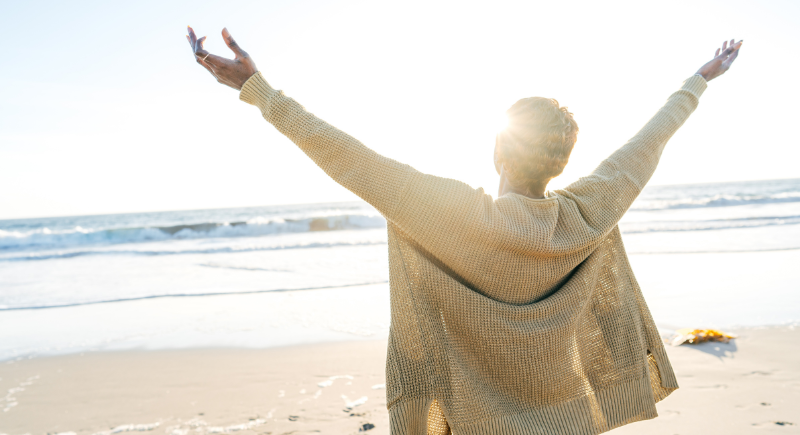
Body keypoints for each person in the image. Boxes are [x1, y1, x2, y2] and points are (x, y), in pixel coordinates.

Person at [185, 27, 741, 435]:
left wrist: (258, 89)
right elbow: (644, 148)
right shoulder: (585, 213)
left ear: (497, 146)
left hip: (479, 424)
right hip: (570, 420)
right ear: (564, 162)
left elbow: (346, 157)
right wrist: (697, 81)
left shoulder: (454, 215)